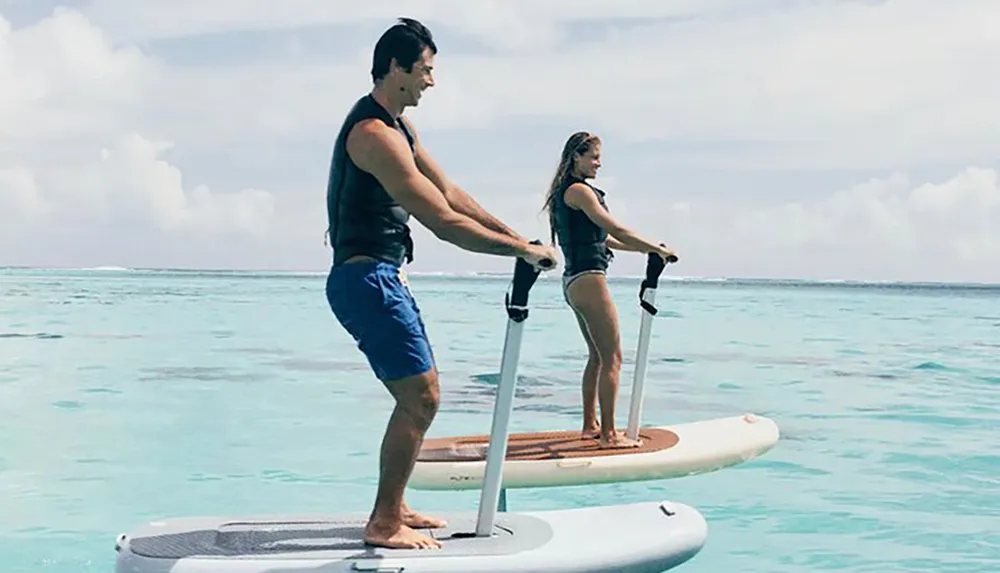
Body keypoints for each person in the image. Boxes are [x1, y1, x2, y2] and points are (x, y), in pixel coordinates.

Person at [323, 18, 558, 551]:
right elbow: (442, 222)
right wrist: (519, 252)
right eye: (426, 71)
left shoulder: (401, 127)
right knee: (421, 398)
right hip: (366, 279)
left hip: (382, 277)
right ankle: (383, 522)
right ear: (398, 68)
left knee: (418, 397)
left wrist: (519, 237)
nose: (432, 81)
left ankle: (395, 505)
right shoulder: (373, 135)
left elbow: (452, 193)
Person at [542, 131, 676, 450]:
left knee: (598, 357)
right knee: (613, 357)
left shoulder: (568, 193)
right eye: (594, 157)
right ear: (576, 156)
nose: (598, 164)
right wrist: (657, 246)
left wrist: (647, 251)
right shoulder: (579, 192)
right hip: (589, 280)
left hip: (573, 281)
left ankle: (591, 425)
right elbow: (616, 228)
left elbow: (605, 239)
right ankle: (608, 436)